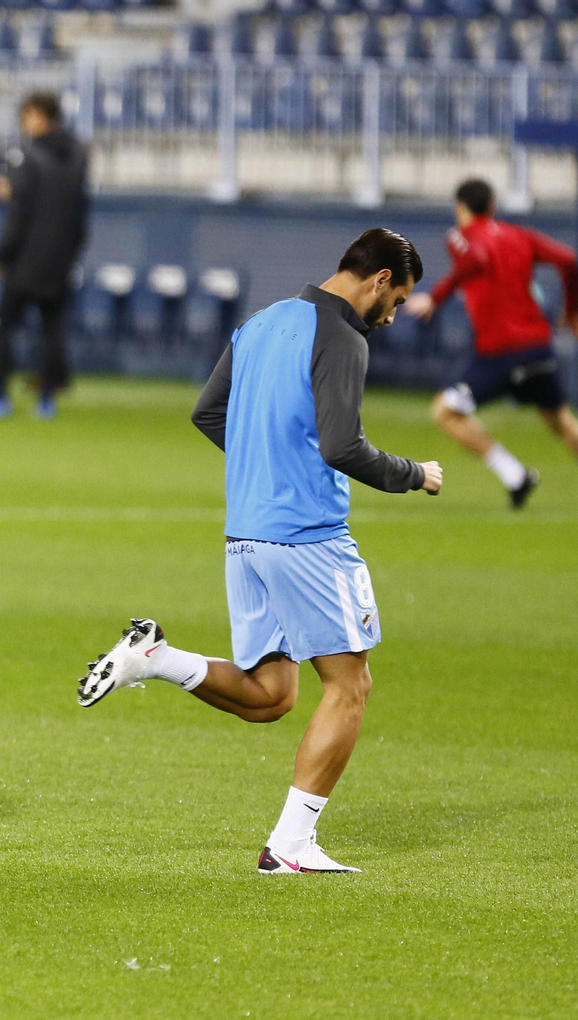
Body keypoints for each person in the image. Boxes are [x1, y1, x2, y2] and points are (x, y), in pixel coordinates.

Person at [76, 229, 444, 874]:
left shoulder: (261, 323)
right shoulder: (342, 337)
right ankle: (291, 845)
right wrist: (415, 474)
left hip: (246, 537)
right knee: (350, 686)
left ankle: (155, 658)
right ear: (380, 279)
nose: (393, 315)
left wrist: (265, 464)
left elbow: (207, 413)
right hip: (308, 539)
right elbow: (342, 446)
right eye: (398, 299)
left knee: (271, 695)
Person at [404, 178, 578, 509]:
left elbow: (476, 259)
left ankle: (515, 475)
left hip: (500, 353)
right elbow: (569, 259)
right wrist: (572, 313)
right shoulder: (519, 235)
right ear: (493, 206)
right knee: (562, 423)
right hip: (537, 346)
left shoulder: (460, 237)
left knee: (446, 411)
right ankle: (517, 479)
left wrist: (435, 298)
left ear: (460, 208)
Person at [0, 92, 89, 421]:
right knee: (52, 330)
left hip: (25, 259)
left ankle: (0, 398)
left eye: (26, 117)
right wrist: (71, 253)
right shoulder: (78, 154)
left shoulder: (30, 156)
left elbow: (21, 214)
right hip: (60, 259)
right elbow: (80, 211)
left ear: (38, 115)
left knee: (4, 325)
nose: (24, 124)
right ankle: (46, 400)